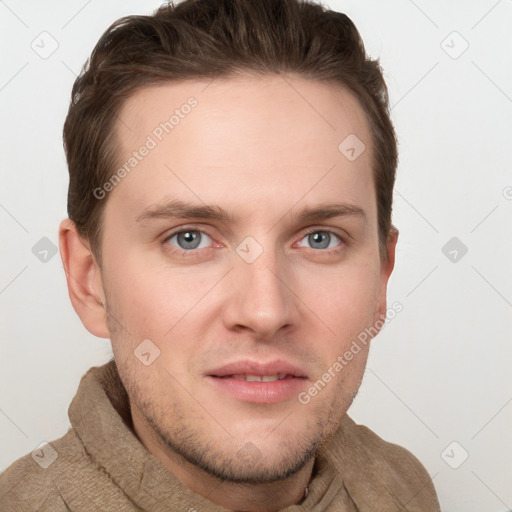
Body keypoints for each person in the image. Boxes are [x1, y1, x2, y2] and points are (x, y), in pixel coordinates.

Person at [0, 0, 441, 510]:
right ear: (88, 279)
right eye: (189, 238)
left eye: (320, 238)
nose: (264, 312)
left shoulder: (402, 488)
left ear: (382, 279)